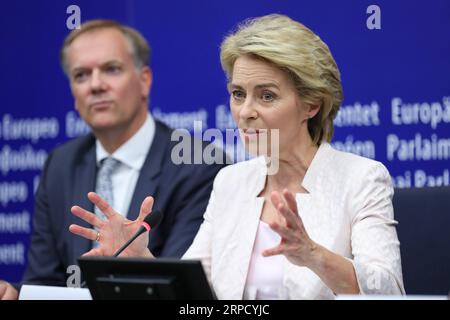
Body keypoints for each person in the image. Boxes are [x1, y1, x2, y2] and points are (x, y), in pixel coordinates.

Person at [67, 14, 405, 299]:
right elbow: (195, 298)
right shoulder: (231, 181)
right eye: (238, 94)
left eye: (267, 96)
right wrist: (142, 259)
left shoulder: (360, 178)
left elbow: (390, 291)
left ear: (311, 104)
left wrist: (312, 255)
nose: (245, 112)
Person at [0, 20, 226, 299]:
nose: (95, 85)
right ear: (72, 91)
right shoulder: (60, 164)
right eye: (81, 75)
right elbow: (45, 280)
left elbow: (182, 286)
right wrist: (16, 294)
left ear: (144, 80)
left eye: (111, 69)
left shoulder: (198, 164)